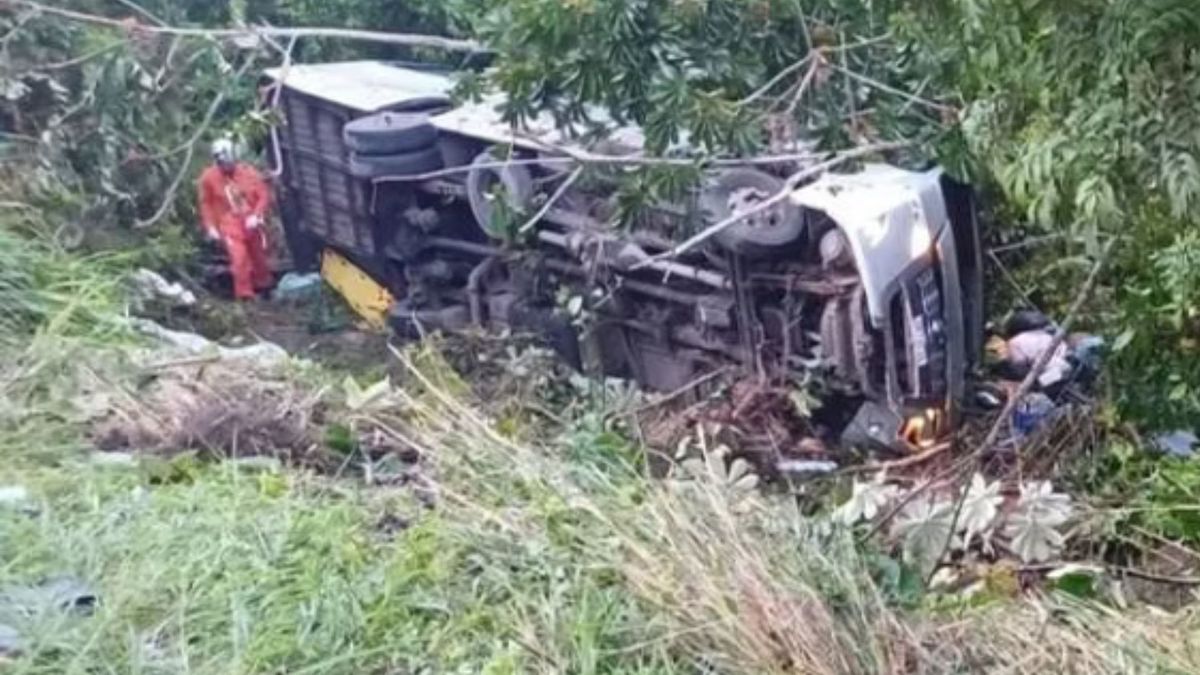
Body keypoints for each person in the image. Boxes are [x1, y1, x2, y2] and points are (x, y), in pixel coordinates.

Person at [197, 139, 274, 300]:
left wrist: (257, 214)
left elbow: (263, 195)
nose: (225, 166)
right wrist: (210, 226)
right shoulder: (208, 178)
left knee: (258, 256)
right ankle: (245, 294)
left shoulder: (249, 173)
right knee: (239, 258)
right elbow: (206, 204)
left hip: (251, 221)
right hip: (229, 223)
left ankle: (264, 286)